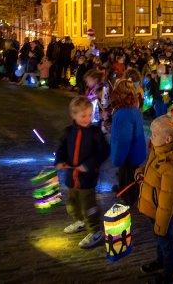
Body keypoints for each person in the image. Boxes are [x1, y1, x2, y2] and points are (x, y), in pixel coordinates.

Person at [137, 114, 173, 284]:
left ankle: (168, 275)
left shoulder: (171, 166)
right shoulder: (158, 149)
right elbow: (151, 167)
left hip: (162, 214)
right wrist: (141, 173)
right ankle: (160, 262)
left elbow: (168, 200)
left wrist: (161, 223)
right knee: (159, 240)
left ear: (167, 139)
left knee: (165, 241)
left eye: (154, 134)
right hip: (154, 210)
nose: (151, 137)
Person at [55, 96, 108, 249]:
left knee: (88, 206)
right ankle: (79, 221)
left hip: (88, 179)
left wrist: (88, 165)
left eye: (90, 115)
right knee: (72, 203)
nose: (87, 119)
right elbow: (61, 149)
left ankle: (95, 231)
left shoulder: (95, 132)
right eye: (83, 115)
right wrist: (59, 161)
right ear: (73, 115)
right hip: (71, 178)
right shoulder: (68, 132)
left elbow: (103, 152)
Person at [110, 79, 147, 206]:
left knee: (128, 177)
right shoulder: (134, 110)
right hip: (135, 152)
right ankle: (125, 191)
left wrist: (118, 158)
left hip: (128, 155)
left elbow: (123, 141)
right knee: (130, 175)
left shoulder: (122, 114)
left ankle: (128, 198)